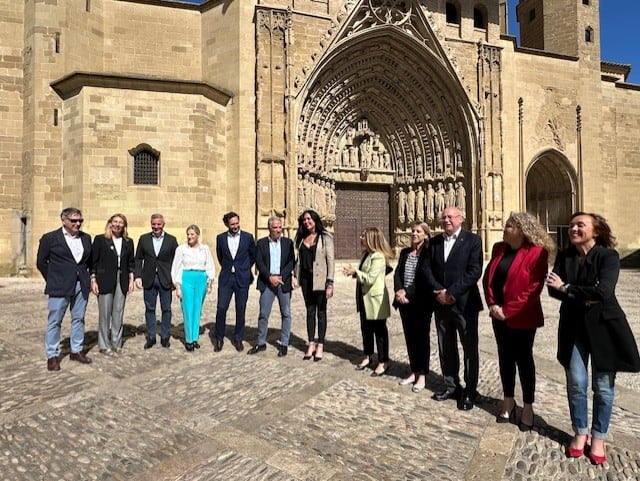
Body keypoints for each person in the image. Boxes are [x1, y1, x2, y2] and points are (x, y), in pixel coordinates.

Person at [546, 212, 640, 465]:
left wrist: (567, 288)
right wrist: (579, 293)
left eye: (580, 225)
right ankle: (580, 432)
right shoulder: (565, 257)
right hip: (573, 327)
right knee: (576, 381)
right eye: (572, 225)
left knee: (604, 386)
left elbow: (603, 291)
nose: (574, 229)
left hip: (604, 327)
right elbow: (551, 289)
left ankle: (598, 437)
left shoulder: (608, 256)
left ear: (595, 231)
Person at [482, 212, 554, 429]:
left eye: (509, 226)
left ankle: (528, 406)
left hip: (523, 317)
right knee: (504, 357)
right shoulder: (498, 248)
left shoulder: (537, 253)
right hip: (498, 315)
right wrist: (493, 304)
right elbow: (488, 278)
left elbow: (533, 290)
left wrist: (508, 311)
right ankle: (508, 400)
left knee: (524, 360)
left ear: (522, 231)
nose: (504, 229)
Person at [423, 206, 483, 410]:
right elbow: (426, 268)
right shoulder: (435, 242)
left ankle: (470, 390)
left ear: (461, 219)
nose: (446, 220)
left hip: (465, 304)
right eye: (443, 217)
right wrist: (439, 290)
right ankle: (451, 385)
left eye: (450, 217)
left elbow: (474, 271)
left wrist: (452, 293)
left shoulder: (473, 241)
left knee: (469, 348)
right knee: (445, 347)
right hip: (440, 304)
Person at [36, 207, 93, 371]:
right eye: (74, 220)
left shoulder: (86, 238)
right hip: (59, 286)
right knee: (55, 320)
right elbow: (41, 262)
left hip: (80, 284)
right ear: (64, 220)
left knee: (79, 318)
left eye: (80, 220)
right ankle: (52, 355)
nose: (77, 223)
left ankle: (76, 350)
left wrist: (89, 279)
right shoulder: (50, 238)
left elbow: (88, 262)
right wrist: (53, 279)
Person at [343, 227, 394, 377]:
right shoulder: (367, 254)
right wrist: (355, 273)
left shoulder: (378, 257)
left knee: (379, 331)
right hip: (364, 298)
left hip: (375, 300)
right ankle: (368, 356)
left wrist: (355, 272)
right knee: (366, 329)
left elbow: (370, 278)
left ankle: (383, 361)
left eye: (363, 236)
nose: (360, 238)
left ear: (371, 239)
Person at [393, 222, 433, 392]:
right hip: (404, 303)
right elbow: (397, 273)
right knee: (410, 338)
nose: (414, 233)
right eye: (412, 231)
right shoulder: (404, 253)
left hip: (421, 302)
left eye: (418, 231)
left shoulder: (428, 254)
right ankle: (413, 370)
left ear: (426, 235)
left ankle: (422, 374)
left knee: (421, 338)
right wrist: (398, 291)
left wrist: (406, 292)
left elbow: (424, 279)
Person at [248, 216, 295, 357]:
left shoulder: (288, 243)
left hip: (283, 282)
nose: (278, 230)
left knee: (286, 313)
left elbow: (292, 261)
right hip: (267, 282)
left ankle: (284, 344)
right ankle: (261, 342)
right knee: (263, 314)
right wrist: (269, 277)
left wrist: (281, 276)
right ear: (269, 228)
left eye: (280, 227)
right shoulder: (261, 243)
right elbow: (259, 262)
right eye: (275, 227)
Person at [90, 213, 135, 356]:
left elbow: (131, 263)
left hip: (122, 279)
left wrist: (131, 279)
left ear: (124, 225)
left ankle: (116, 342)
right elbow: (93, 262)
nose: (118, 224)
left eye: (121, 222)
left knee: (118, 312)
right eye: (115, 221)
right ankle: (103, 344)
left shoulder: (128, 241)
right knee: (105, 313)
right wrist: (93, 280)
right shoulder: (100, 240)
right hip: (104, 279)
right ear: (110, 223)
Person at [294, 210, 335, 362]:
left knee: (321, 312)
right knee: (310, 312)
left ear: (315, 220)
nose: (306, 222)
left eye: (309, 219)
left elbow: (330, 261)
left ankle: (321, 344)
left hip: (321, 280)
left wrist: (330, 283)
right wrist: (295, 276)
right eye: (304, 219)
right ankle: (311, 343)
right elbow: (297, 260)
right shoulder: (300, 237)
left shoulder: (325, 237)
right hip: (305, 280)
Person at [134, 213, 178, 349]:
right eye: (154, 224)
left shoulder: (171, 240)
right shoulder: (144, 239)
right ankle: (151, 336)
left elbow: (177, 261)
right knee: (150, 308)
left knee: (166, 309)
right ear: (151, 224)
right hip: (149, 279)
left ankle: (165, 336)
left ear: (163, 224)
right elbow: (138, 259)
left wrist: (175, 280)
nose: (156, 227)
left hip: (166, 279)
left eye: (159, 224)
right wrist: (138, 276)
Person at [214, 212, 256, 352]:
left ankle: (238, 338)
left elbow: (253, 255)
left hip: (242, 278)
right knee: (221, 308)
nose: (235, 226)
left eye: (237, 223)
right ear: (227, 224)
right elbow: (220, 256)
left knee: (240, 309)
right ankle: (219, 338)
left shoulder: (248, 237)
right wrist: (229, 267)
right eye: (232, 224)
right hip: (226, 278)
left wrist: (243, 268)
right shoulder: (220, 238)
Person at [172, 225, 216, 352]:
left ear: (198, 235)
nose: (190, 237)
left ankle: (195, 338)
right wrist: (178, 286)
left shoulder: (205, 249)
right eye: (188, 234)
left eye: (192, 234)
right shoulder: (181, 249)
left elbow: (210, 265)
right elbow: (177, 267)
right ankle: (188, 339)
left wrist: (210, 283)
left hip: (201, 279)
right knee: (187, 308)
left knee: (197, 309)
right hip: (187, 278)